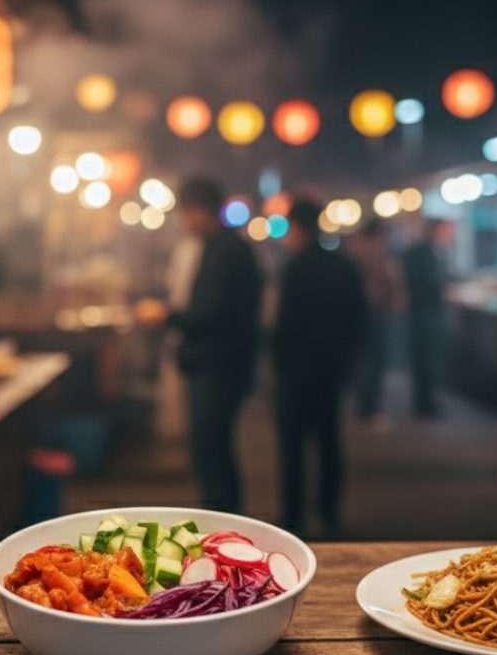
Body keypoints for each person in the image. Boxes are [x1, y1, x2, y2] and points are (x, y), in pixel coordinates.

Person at [139, 177, 263, 512]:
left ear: (199, 210)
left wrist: (166, 316)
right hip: (215, 364)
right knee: (212, 451)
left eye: (185, 212)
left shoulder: (226, 251)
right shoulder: (219, 246)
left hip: (218, 366)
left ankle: (223, 521)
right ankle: (222, 519)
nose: (184, 221)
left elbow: (212, 312)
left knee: (212, 452)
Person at [273, 199, 366, 535]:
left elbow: (284, 323)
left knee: (292, 447)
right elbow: (360, 318)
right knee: (329, 441)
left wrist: (278, 362)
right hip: (331, 369)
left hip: (296, 372)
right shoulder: (343, 266)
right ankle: (328, 512)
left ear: (297, 227)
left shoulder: (295, 268)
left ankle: (293, 517)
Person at [348, 219, 404, 429]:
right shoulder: (372, 256)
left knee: (368, 361)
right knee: (372, 361)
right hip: (373, 313)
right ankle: (368, 408)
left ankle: (365, 406)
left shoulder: (357, 253)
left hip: (368, 314)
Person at [402, 218, 453, 418]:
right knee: (426, 360)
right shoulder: (421, 253)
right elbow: (424, 282)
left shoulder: (436, 252)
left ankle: (427, 401)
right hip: (424, 313)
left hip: (429, 313)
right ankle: (425, 403)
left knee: (430, 359)